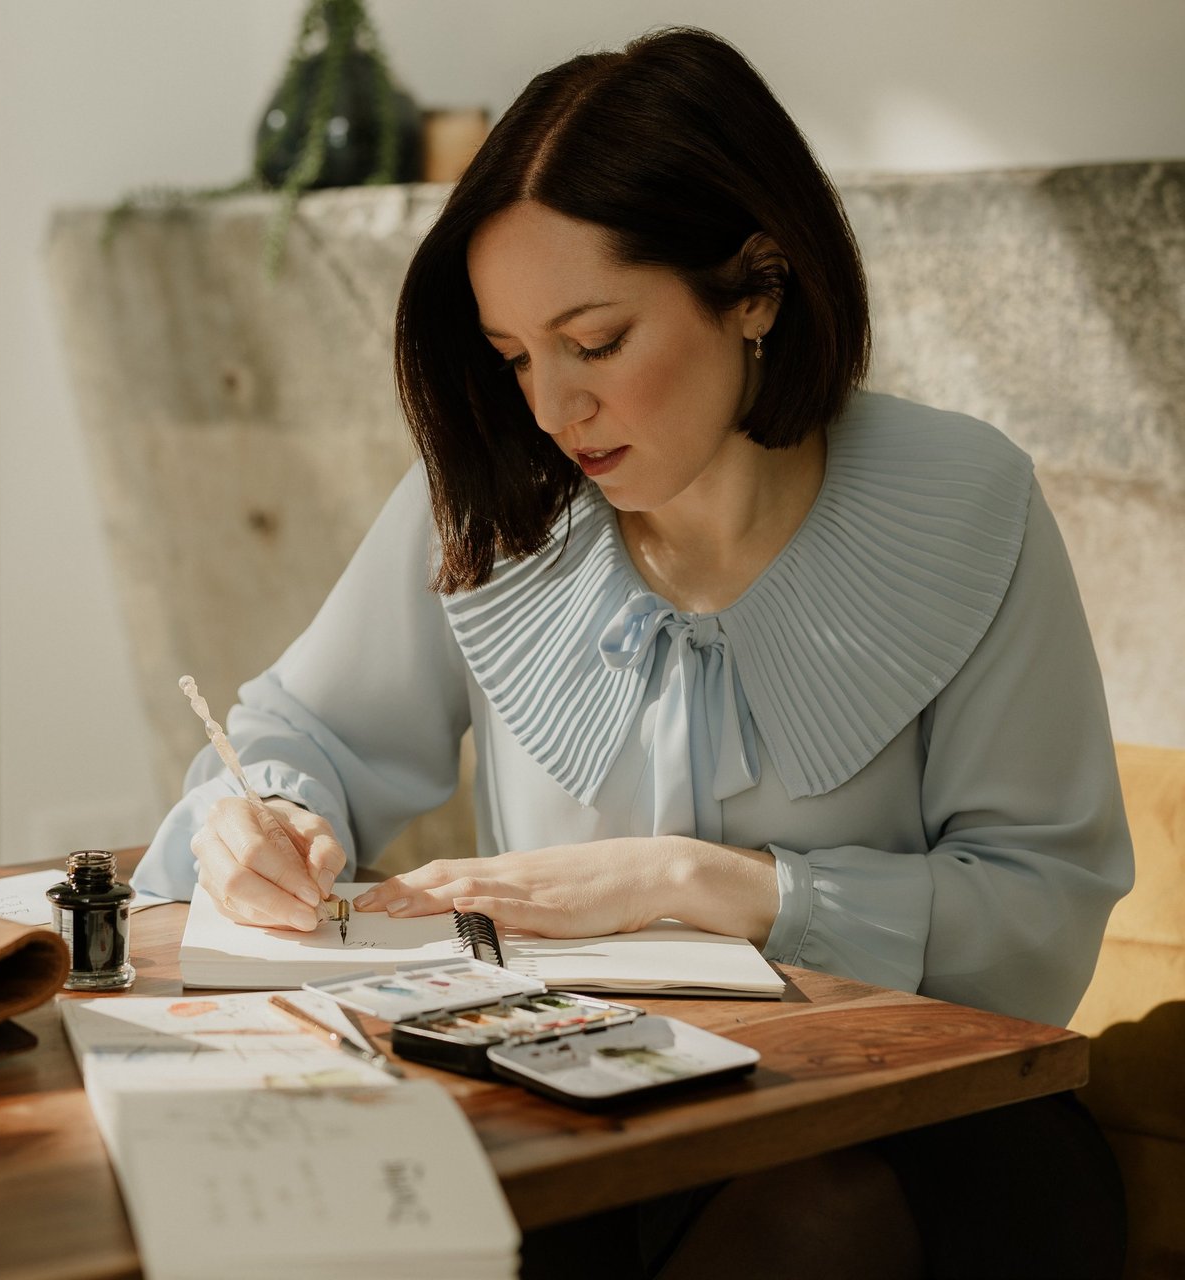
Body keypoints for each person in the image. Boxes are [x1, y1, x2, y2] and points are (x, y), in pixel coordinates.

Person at [131, 25, 1133, 1280]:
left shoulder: (966, 501)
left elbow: (1041, 914)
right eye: (514, 359)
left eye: (595, 342)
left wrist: (716, 881)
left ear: (757, 285)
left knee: (805, 1211)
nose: (552, 409)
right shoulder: (497, 495)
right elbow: (304, 731)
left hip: (910, 1131)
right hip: (581, 1109)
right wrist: (261, 811)